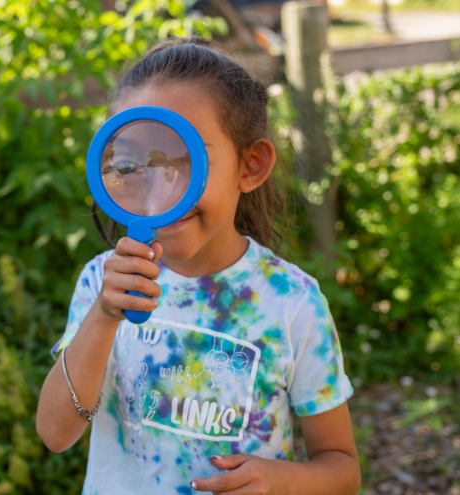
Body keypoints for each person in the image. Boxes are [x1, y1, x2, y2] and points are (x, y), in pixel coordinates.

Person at [35, 36, 360, 495]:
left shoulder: (292, 302)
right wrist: (104, 316)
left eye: (186, 160)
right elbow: (55, 433)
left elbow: (343, 470)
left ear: (250, 165)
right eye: (130, 165)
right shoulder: (101, 284)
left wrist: (280, 480)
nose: (159, 194)